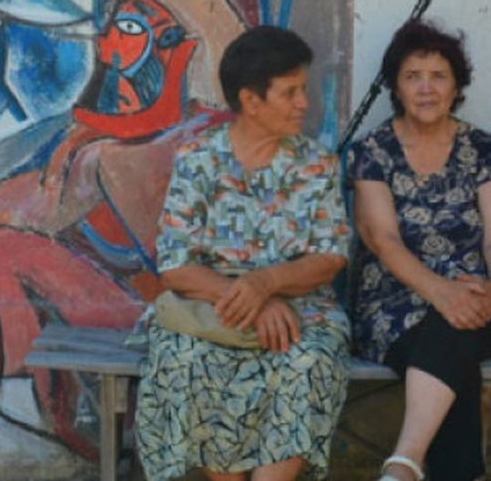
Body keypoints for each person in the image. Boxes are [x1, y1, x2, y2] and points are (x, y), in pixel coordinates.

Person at [135, 25, 351, 481]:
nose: (304, 103)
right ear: (251, 100)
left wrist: (266, 283)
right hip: (212, 308)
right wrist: (253, 299)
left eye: (303, 89)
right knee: (184, 359)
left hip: (302, 310)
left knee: (308, 360)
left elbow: (331, 257)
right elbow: (175, 266)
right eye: (290, 92)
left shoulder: (317, 164)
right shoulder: (198, 160)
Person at [346, 20, 491, 481]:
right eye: (413, 76)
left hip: (481, 297)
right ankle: (425, 467)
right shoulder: (373, 151)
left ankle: (403, 464)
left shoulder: (482, 149)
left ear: (456, 86)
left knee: (455, 327)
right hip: (394, 302)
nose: (426, 88)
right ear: (396, 87)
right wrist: (442, 294)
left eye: (438, 76)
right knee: (453, 343)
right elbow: (382, 239)